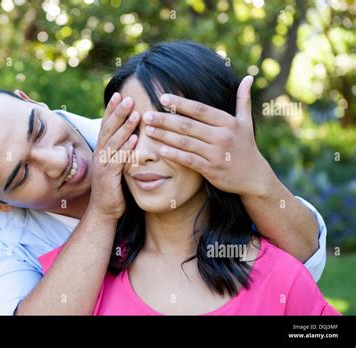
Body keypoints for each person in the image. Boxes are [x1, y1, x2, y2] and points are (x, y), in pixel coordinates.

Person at [0, 50, 327, 316]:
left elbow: (305, 259)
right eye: (22, 174)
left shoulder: (141, 129)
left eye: (37, 130)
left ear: (31, 101)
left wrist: (255, 177)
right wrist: (102, 210)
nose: (57, 160)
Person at [38, 41, 339, 315]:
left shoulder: (282, 279)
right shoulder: (78, 277)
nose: (141, 154)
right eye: (129, 131)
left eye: (167, 131)